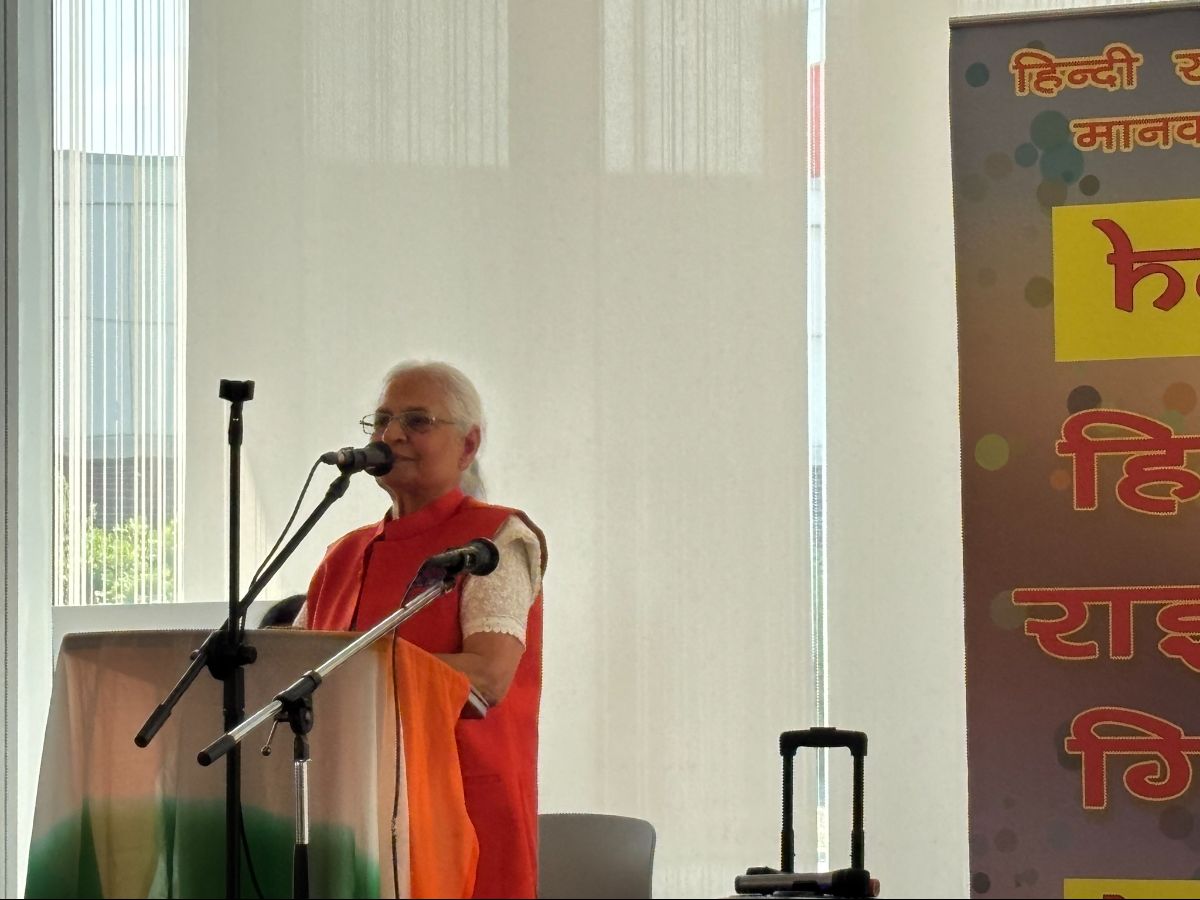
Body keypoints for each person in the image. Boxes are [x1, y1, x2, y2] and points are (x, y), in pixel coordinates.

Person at [298, 360, 546, 899]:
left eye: (417, 421)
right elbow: (289, 670)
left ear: (468, 445)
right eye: (382, 420)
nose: (391, 435)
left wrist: (356, 673)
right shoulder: (343, 555)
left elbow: (489, 676)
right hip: (349, 811)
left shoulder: (495, 539)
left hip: (457, 812)